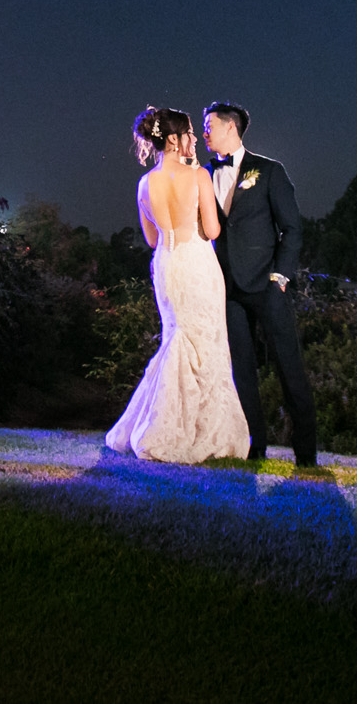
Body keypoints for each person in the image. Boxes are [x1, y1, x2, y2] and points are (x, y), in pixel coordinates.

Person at [105, 106, 251, 464]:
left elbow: (153, 240)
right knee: (207, 342)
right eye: (187, 133)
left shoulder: (144, 184)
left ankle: (162, 425)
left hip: (167, 267)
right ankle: (204, 433)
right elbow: (213, 230)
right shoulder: (198, 175)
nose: (192, 139)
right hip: (198, 263)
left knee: (176, 338)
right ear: (172, 138)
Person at [203, 100, 321, 466]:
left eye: (209, 126)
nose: (204, 133)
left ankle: (305, 453)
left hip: (268, 286)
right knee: (242, 368)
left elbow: (292, 229)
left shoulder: (269, 171)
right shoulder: (204, 174)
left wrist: (280, 277)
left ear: (230, 128)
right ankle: (255, 444)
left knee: (288, 366)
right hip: (228, 288)